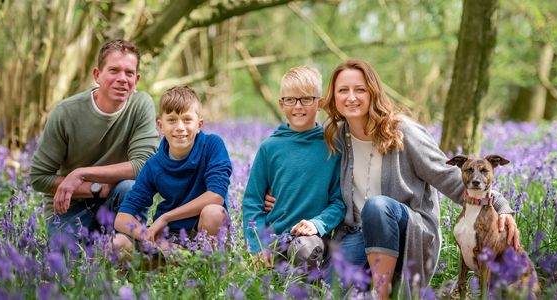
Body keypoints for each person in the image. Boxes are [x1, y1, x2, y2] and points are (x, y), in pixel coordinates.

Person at [266, 59, 520, 299]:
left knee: (377, 206)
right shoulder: (337, 135)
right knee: (335, 290)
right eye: (343, 90)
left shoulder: (403, 132)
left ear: (373, 93)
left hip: (405, 230)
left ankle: (382, 293)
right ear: (334, 96)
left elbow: (449, 178)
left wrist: (500, 205)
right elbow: (313, 175)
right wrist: (283, 197)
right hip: (357, 233)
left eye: (360, 90)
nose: (351, 97)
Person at [30, 39, 159, 241]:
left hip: (119, 202)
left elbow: (144, 166)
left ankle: (132, 249)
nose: (122, 79)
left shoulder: (141, 105)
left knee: (130, 188)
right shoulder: (66, 113)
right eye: (114, 70)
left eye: (129, 73)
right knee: (69, 267)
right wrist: (98, 189)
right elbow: (39, 177)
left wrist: (81, 173)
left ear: (137, 79)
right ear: (97, 75)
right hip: (71, 208)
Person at [242, 66, 345, 269]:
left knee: (305, 252)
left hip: (311, 240)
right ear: (281, 104)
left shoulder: (332, 147)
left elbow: (339, 202)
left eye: (306, 99)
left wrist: (317, 224)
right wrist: (257, 246)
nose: (298, 106)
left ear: (320, 103)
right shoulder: (269, 148)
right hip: (273, 239)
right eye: (290, 100)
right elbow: (252, 201)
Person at [112, 86, 232, 253]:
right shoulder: (154, 165)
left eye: (187, 120)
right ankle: (171, 259)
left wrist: (166, 217)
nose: (180, 127)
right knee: (118, 243)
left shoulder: (212, 146)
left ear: (199, 125)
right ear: (160, 126)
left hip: (203, 232)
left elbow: (216, 196)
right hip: (168, 236)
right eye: (172, 120)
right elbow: (122, 218)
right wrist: (148, 235)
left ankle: (209, 267)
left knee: (213, 213)